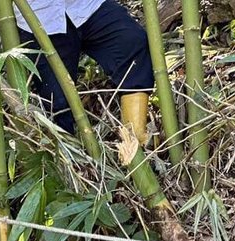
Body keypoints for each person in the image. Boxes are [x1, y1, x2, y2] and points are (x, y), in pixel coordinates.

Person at [16, 0, 154, 142]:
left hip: (88, 6)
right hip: (38, 19)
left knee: (131, 43)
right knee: (57, 103)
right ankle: (70, 158)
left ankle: (136, 141)